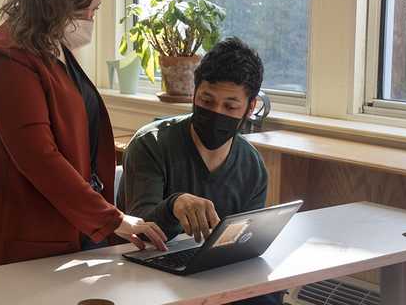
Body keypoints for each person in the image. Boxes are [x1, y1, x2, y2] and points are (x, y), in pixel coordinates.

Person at [0, 0, 166, 271]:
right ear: (55, 2)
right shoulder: (7, 58)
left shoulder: (50, 46)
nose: (91, 17)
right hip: (25, 237)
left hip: (68, 225)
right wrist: (112, 218)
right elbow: (40, 159)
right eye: (88, 9)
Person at [117, 37, 283, 305]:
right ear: (194, 94)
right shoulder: (152, 144)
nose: (216, 113)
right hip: (146, 278)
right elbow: (140, 233)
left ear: (250, 108)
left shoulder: (252, 166)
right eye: (207, 100)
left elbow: (242, 247)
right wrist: (174, 206)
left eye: (230, 106)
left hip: (215, 278)